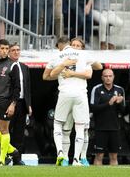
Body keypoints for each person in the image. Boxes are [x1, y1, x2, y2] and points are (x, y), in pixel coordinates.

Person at [43, 36, 93, 166]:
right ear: (70, 44)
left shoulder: (58, 56)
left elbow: (48, 76)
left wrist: (64, 66)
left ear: (60, 45)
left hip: (65, 94)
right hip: (81, 95)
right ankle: (76, 159)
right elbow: (97, 65)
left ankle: (62, 154)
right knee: (80, 128)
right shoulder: (84, 55)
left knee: (59, 124)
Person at [90, 68, 125, 166]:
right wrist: (108, 103)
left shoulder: (119, 89)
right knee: (99, 156)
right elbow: (93, 108)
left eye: (110, 76)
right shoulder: (96, 89)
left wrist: (119, 103)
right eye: (106, 76)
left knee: (114, 156)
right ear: (102, 78)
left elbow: (124, 111)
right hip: (100, 128)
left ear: (113, 77)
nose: (108, 78)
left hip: (115, 128)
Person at [8, 42, 32, 154]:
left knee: (20, 132)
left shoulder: (24, 67)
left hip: (22, 104)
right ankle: (3, 157)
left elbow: (27, 87)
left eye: (18, 50)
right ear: (8, 52)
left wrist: (29, 104)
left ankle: (18, 158)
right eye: (13, 50)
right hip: (9, 103)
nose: (16, 52)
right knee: (6, 131)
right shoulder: (5, 65)